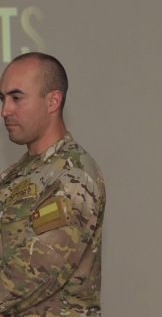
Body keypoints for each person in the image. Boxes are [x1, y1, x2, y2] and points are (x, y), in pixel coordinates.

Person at [0, 52, 106, 316]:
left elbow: (31, 274)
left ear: (53, 101)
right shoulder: (14, 174)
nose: (5, 110)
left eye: (16, 98)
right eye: (2, 99)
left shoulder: (74, 174)